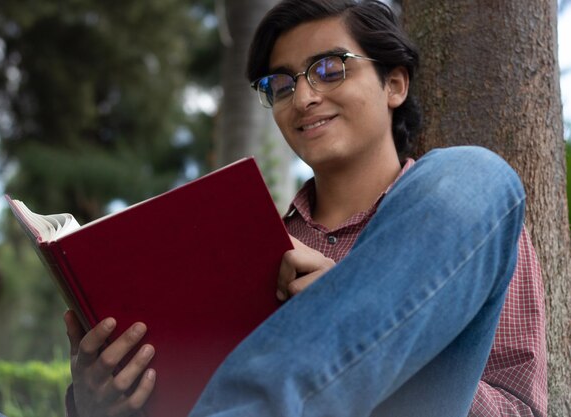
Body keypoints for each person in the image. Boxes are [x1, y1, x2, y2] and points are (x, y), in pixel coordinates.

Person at [63, 1, 547, 416]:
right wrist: (95, 401)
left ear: (394, 85)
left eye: (329, 68)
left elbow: (519, 408)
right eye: (281, 84)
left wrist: (361, 315)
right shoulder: (255, 251)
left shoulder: (464, 223)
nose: (304, 97)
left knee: (478, 174)